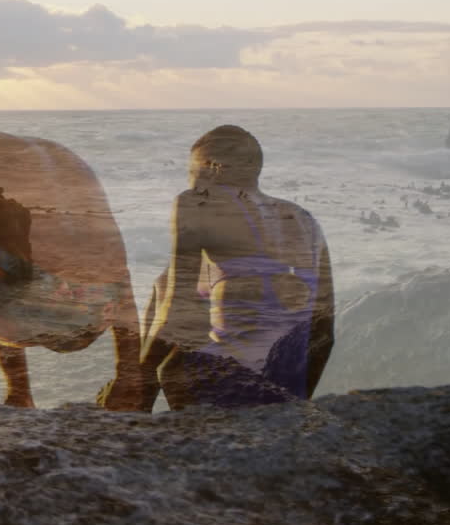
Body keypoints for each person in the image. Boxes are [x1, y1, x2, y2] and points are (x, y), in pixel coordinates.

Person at [0, 102, 141, 407]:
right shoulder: (55, 151)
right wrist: (129, 376)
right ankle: (20, 393)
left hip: (34, 316)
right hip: (99, 313)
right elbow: (115, 260)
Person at [109, 125, 334, 410]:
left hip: (228, 382)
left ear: (212, 168)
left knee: (172, 366)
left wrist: (135, 380)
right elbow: (325, 333)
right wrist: (298, 402)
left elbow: (179, 308)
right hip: (287, 379)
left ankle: (138, 407)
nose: (191, 182)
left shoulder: (197, 202)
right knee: (163, 282)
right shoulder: (305, 219)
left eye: (192, 172)